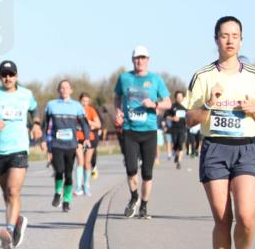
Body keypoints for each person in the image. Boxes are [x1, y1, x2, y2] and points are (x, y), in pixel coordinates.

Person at [185, 16, 255, 249]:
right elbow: (189, 119)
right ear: (216, 40)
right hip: (215, 148)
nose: (230, 40)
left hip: (246, 147)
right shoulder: (203, 76)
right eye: (224, 35)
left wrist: (252, 108)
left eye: (235, 35)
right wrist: (209, 103)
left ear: (241, 39)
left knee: (247, 216)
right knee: (223, 218)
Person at [0, 60, 42, 249]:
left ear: (16, 76)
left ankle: (9, 230)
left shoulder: (26, 94)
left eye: (11, 74)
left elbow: (35, 108)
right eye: (4, 74)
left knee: (13, 191)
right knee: (7, 196)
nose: (8, 78)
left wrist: (36, 124)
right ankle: (18, 221)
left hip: (19, 149)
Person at [114, 45, 171, 219]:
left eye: (143, 58)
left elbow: (167, 103)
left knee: (147, 173)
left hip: (149, 131)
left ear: (148, 60)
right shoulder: (124, 78)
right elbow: (117, 96)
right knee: (131, 169)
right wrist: (118, 110)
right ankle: (134, 197)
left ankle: (144, 206)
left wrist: (154, 105)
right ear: (133, 60)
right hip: (130, 130)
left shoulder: (156, 79)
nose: (140, 61)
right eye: (137, 58)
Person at [42, 80, 91, 212]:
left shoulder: (77, 106)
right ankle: (58, 192)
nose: (64, 90)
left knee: (68, 174)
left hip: (71, 145)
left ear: (71, 90)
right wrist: (43, 140)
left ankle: (67, 201)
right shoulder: (51, 105)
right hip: (57, 144)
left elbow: (85, 123)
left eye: (67, 88)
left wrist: (86, 138)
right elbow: (45, 124)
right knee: (59, 170)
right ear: (58, 90)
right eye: (62, 87)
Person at [75, 93, 102, 194]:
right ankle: (78, 187)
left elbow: (98, 124)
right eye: (83, 101)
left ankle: (86, 185)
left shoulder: (91, 110)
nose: (85, 103)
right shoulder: (76, 109)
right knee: (80, 161)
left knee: (87, 162)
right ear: (79, 101)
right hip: (78, 138)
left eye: (87, 101)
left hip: (89, 138)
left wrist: (89, 123)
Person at [168, 91, 188, 169]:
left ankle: (179, 162)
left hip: (182, 129)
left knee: (180, 144)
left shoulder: (186, 107)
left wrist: (187, 120)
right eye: (178, 97)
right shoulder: (172, 106)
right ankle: (176, 155)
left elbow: (189, 116)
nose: (179, 98)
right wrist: (172, 118)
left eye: (181, 97)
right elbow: (166, 116)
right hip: (174, 129)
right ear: (175, 98)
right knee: (175, 144)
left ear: (183, 98)